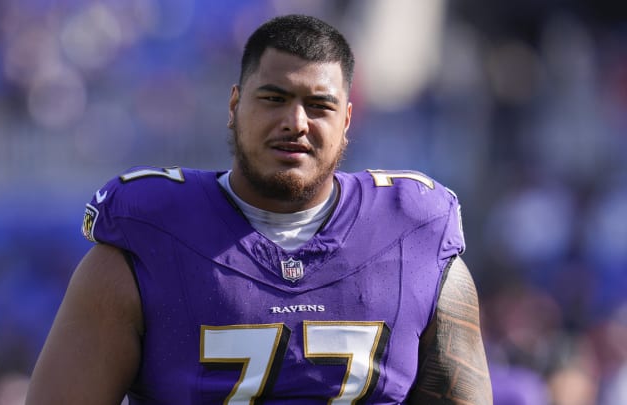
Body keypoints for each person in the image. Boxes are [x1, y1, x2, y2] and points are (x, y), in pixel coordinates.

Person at [25, 14, 493, 404]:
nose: (295, 123)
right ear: (234, 105)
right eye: (274, 98)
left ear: (346, 120)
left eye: (319, 105)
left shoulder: (413, 235)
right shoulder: (145, 241)